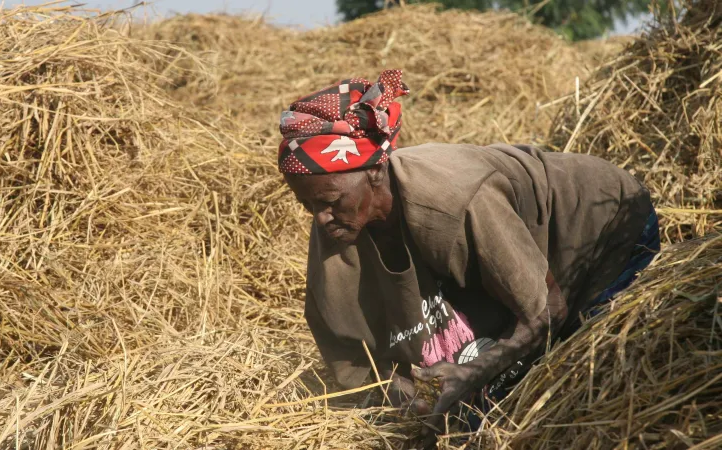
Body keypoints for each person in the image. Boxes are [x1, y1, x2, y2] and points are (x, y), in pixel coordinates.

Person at [278, 70, 660, 445]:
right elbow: (349, 350)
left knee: (571, 395)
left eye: (330, 201)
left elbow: (545, 309)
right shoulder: (336, 221)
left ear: (375, 171)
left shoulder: (456, 203)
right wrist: (399, 394)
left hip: (602, 230)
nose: (320, 218)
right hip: (536, 268)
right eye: (308, 205)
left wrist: (473, 372)